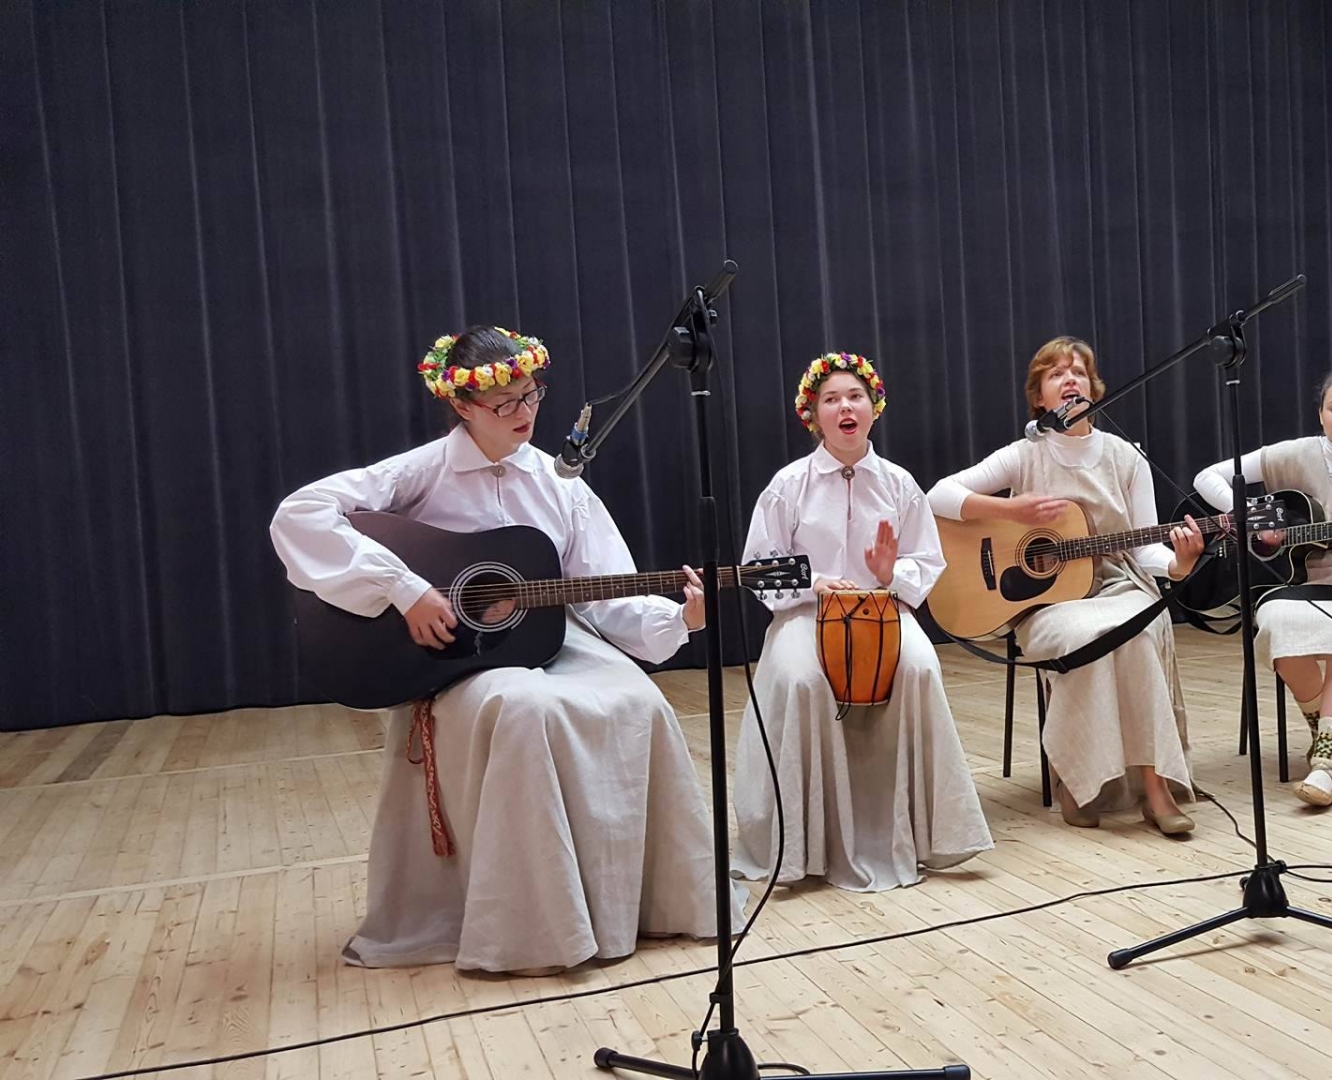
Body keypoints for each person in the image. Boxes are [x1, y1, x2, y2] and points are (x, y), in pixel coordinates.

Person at [269, 325, 743, 974]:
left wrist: (680, 617)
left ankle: (643, 906)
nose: (525, 412)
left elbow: (605, 587)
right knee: (523, 709)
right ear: (461, 405)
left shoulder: (560, 481)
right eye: (505, 403)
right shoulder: (422, 471)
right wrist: (404, 588)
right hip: (461, 658)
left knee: (641, 702)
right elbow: (300, 514)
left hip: (553, 636)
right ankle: (533, 930)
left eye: (532, 395)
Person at [734, 352, 993, 891]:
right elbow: (759, 569)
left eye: (855, 396)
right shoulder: (788, 484)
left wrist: (889, 573)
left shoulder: (900, 484)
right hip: (806, 613)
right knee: (802, 678)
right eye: (831, 399)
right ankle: (802, 845)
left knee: (920, 668)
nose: (845, 407)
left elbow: (928, 563)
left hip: (885, 610)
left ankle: (918, 835)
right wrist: (814, 583)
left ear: (874, 407)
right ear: (814, 415)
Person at [928, 336, 1206, 835]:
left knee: (1136, 633)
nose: (1070, 379)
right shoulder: (1023, 455)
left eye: (1078, 371)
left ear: (1094, 389)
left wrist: (1180, 564)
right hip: (1046, 602)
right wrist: (1010, 510)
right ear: (1039, 397)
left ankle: (1155, 786)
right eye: (1056, 373)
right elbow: (937, 495)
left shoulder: (1127, 458)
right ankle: (1079, 782)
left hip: (1120, 585)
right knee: (1085, 638)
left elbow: (1147, 549)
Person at [1192, 366, 1332, 808]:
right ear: (1321, 413)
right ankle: (1327, 730)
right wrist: (1255, 516)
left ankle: (1327, 766)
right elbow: (1207, 477)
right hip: (1292, 579)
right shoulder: (1293, 454)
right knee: (1276, 620)